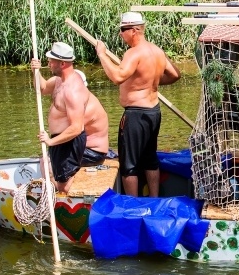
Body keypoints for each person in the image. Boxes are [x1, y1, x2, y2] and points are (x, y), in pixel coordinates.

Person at [95, 12, 181, 197]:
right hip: (153, 112)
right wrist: (152, 82)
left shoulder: (133, 53)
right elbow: (175, 74)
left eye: (123, 30)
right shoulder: (157, 51)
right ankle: (154, 199)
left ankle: (132, 204)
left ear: (134, 30)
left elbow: (118, 77)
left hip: (135, 115)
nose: (120, 34)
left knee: (129, 164)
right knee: (150, 159)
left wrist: (102, 55)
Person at [31, 41, 89, 193]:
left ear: (62, 63)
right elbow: (42, 89)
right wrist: (36, 71)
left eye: (51, 60)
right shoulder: (58, 81)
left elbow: (76, 128)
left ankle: (79, 197)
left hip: (68, 141)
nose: (48, 63)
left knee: (63, 185)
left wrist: (51, 141)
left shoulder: (72, 90)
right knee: (59, 179)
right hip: (59, 141)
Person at [74, 70, 112, 166]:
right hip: (85, 149)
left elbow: (72, 131)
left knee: (51, 161)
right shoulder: (79, 101)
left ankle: (53, 181)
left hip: (94, 154)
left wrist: (50, 141)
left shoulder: (88, 107)